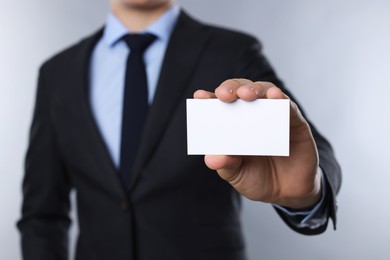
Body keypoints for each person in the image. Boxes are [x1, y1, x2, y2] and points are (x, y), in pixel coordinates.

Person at [17, 0, 341, 259]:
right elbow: (42, 213)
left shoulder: (231, 51)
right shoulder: (57, 73)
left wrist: (307, 194)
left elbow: (310, 149)